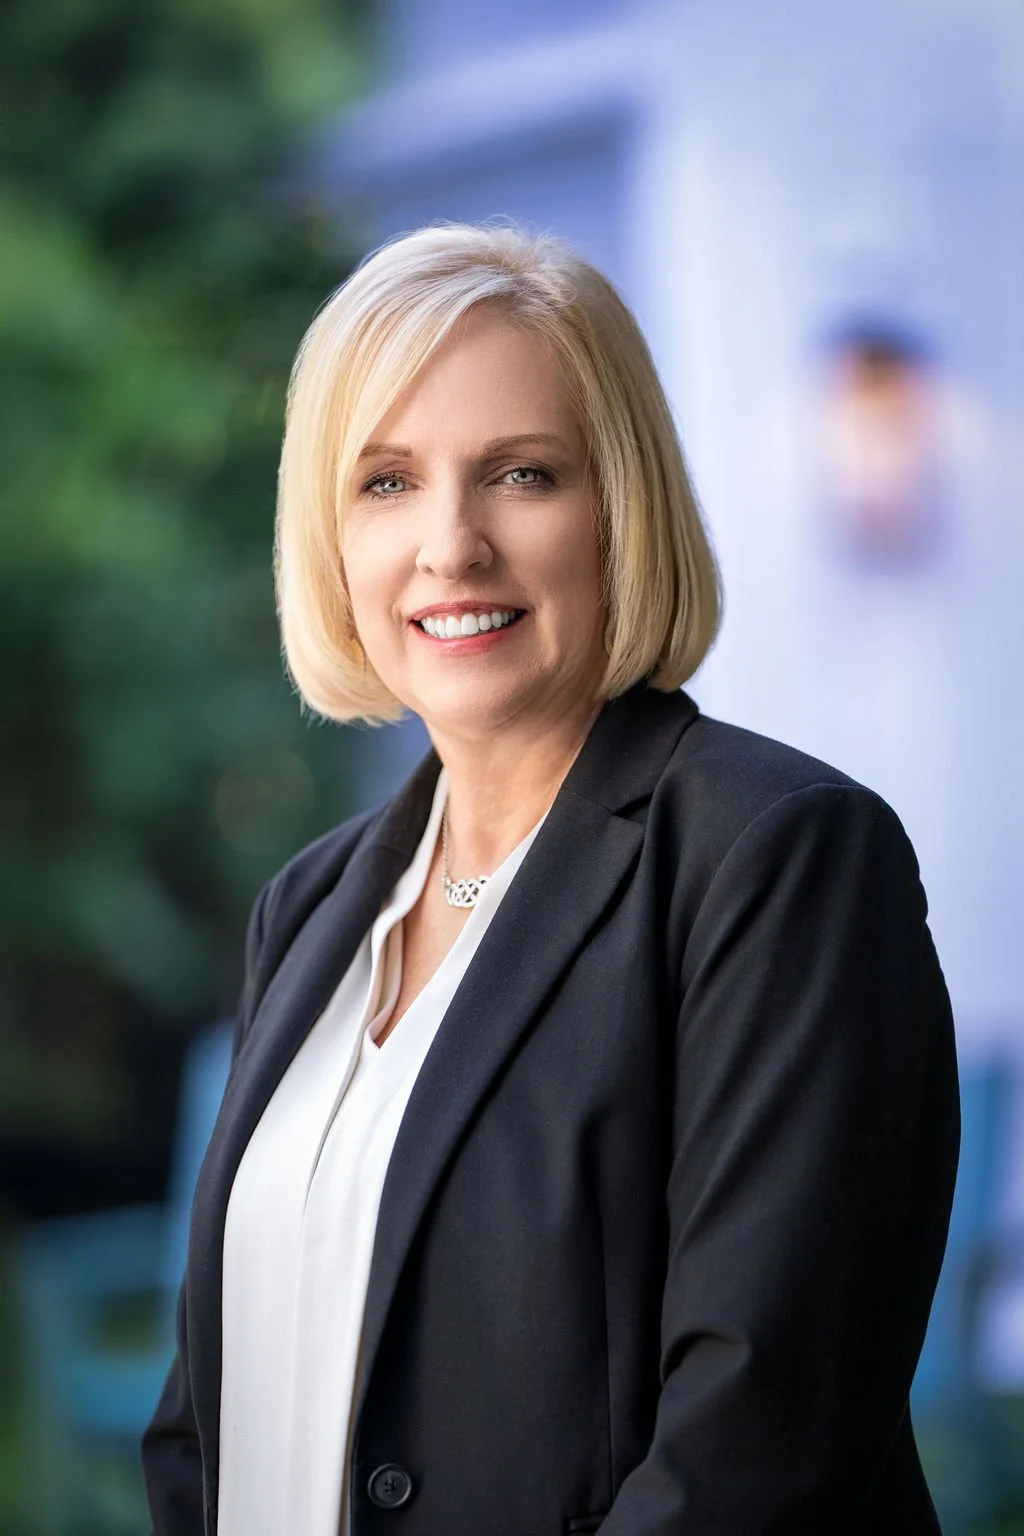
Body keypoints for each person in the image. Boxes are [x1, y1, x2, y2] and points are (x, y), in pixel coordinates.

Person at [141, 221, 960, 1536]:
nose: (450, 546)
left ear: (620, 507)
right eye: (389, 483)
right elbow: (210, 1418)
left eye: (522, 474)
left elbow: (760, 1443)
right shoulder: (310, 908)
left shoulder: (782, 854)